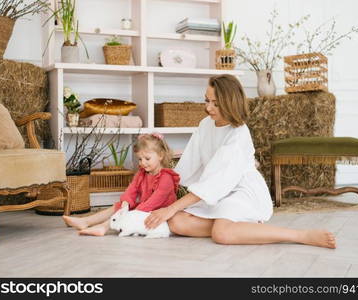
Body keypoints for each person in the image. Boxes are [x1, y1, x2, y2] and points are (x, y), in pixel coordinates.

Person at [144, 74, 336, 249]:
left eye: (216, 103)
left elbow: (215, 181)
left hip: (241, 189)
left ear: (229, 103)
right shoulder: (205, 124)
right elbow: (189, 165)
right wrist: (158, 187)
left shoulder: (237, 135)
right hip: (217, 192)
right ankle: (242, 226)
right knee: (177, 222)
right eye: (207, 100)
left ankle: (301, 235)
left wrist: (169, 208)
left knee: (222, 234)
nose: (208, 108)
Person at [63, 133, 180, 236]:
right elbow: (132, 189)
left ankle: (103, 227)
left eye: (147, 158)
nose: (143, 162)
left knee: (125, 211)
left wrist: (131, 212)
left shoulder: (166, 178)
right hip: (144, 208)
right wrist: (126, 203)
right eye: (140, 159)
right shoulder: (142, 173)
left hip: (158, 213)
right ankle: (86, 221)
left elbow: (154, 202)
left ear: (161, 155)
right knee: (119, 206)